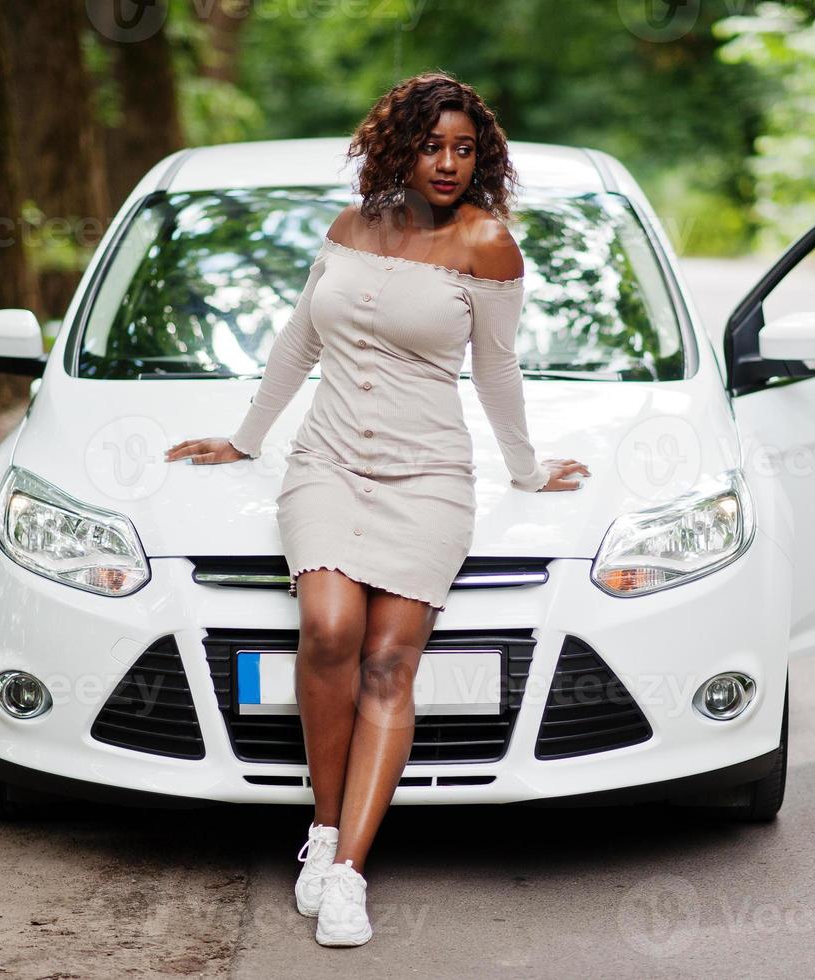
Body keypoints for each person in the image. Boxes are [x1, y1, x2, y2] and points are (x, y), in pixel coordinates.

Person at [164, 70, 590, 947]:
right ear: (400, 146)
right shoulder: (352, 226)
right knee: (327, 631)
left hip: (428, 474)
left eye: (464, 148)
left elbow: (497, 370)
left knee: (390, 661)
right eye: (433, 145)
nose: (447, 162)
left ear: (482, 157)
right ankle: (321, 833)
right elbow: (300, 338)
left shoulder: (487, 244)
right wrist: (246, 440)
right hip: (325, 461)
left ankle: (350, 870)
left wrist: (526, 469)